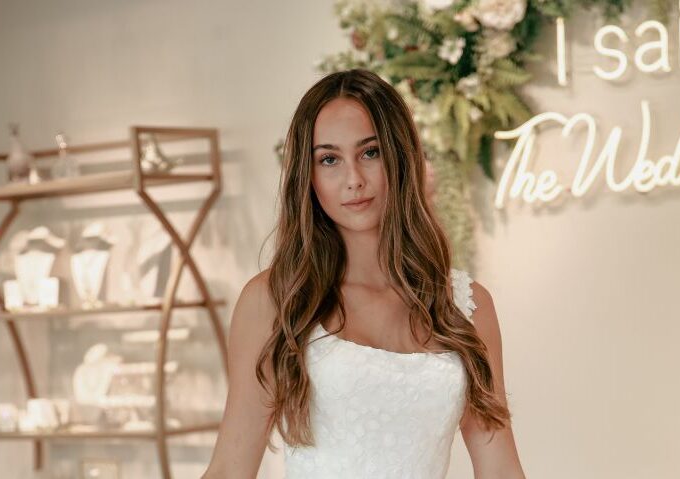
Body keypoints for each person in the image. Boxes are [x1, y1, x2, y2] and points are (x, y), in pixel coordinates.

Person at [201, 69, 525, 479]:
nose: (353, 179)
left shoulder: (467, 307)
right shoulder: (275, 300)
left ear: (400, 157)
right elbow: (231, 468)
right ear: (309, 176)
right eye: (330, 159)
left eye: (370, 152)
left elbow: (501, 468)